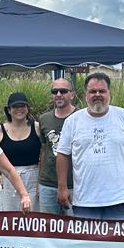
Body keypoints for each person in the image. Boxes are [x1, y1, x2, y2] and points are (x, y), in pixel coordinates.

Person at [56, 72, 124, 221]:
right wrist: (62, 187)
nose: (97, 94)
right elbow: (63, 155)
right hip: (85, 200)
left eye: (102, 91)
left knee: (120, 243)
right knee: (87, 244)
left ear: (109, 93)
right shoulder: (72, 121)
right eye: (93, 91)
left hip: (120, 199)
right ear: (85, 94)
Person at [0, 92, 41, 212]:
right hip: (8, 179)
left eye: (22, 106)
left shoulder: (37, 128)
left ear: (27, 109)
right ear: (9, 110)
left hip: (33, 178)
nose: (19, 109)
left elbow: (45, 154)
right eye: (15, 107)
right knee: (9, 218)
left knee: (33, 217)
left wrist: (41, 179)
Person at [37, 77, 76, 214]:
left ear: (72, 94)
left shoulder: (81, 118)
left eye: (63, 91)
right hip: (47, 184)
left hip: (74, 185)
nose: (58, 94)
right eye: (55, 91)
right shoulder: (44, 119)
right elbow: (43, 150)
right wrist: (39, 181)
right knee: (48, 230)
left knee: (75, 230)